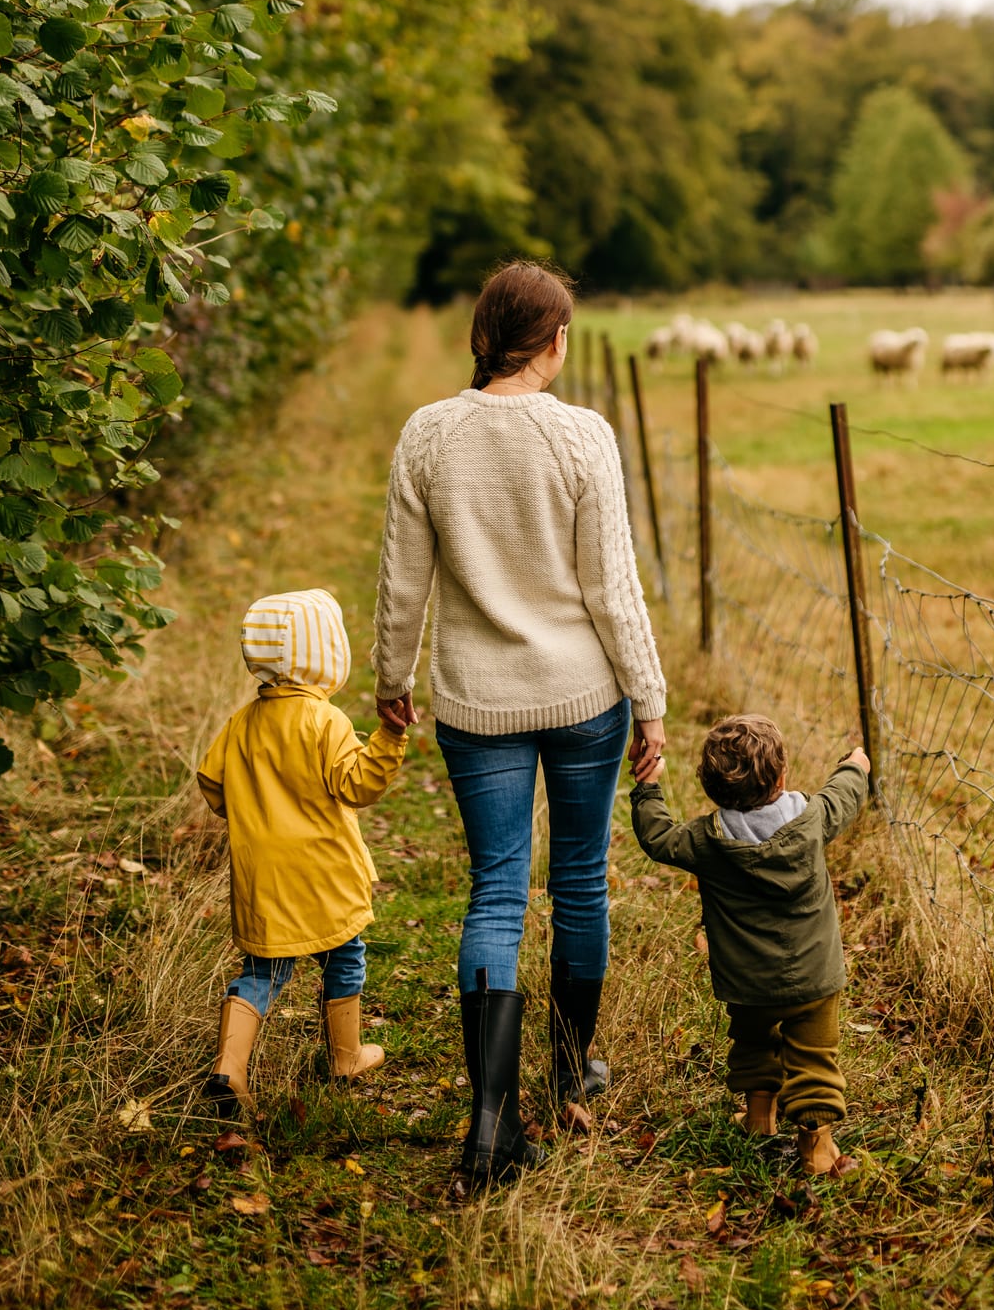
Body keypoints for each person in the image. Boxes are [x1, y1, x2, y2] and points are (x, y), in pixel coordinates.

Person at [372, 259, 667, 1196]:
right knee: (580, 881)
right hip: (585, 699)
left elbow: (401, 579)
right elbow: (611, 589)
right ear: (554, 340)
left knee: (496, 891)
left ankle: (490, 1121)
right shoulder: (583, 438)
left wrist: (391, 676)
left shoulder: (428, 434)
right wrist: (649, 697)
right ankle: (571, 1069)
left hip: (475, 703)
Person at [197, 588, 407, 1118]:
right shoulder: (325, 721)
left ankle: (230, 1066)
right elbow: (358, 785)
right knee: (344, 955)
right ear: (322, 653)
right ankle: (345, 1057)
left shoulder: (242, 723)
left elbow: (213, 786)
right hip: (324, 872)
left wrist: (251, 805)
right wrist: (389, 738)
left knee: (263, 971)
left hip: (263, 876)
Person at [630, 713, 869, 1178]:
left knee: (755, 1042)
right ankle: (817, 1150)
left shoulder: (705, 841)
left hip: (746, 984)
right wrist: (854, 765)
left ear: (710, 789)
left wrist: (648, 787)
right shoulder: (812, 819)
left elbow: (656, 836)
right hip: (815, 980)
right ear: (782, 777)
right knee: (814, 1056)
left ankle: (760, 1116)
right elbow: (845, 796)